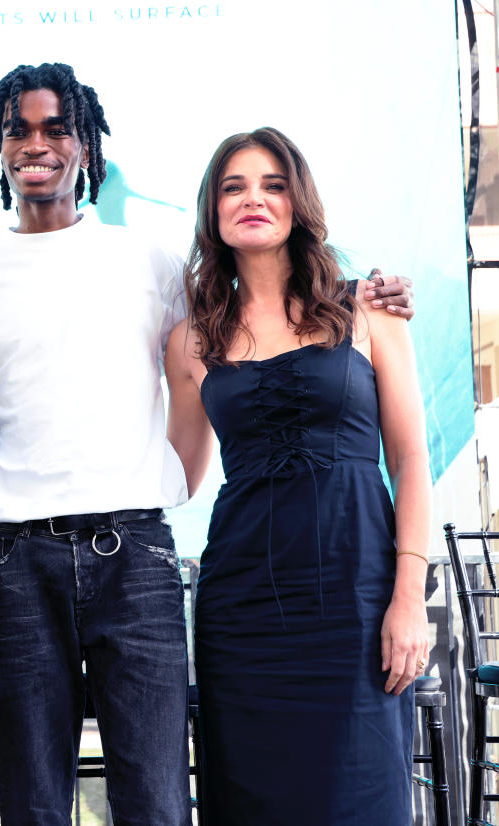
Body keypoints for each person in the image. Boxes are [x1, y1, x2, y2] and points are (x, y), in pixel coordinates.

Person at [0, 64, 414, 826]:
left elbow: (250, 331)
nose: (35, 145)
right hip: (16, 567)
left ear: (85, 145)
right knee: (33, 807)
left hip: (134, 560)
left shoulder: (155, 265)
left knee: (156, 805)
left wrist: (362, 296)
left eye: (55, 128)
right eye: (18, 131)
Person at [163, 127, 429, 824]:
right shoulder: (191, 339)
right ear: (212, 211)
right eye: (234, 186)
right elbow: (175, 476)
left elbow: (409, 458)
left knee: (362, 797)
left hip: (358, 597)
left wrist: (409, 599)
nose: (254, 199)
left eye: (273, 184)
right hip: (241, 610)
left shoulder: (367, 305)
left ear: (297, 201)